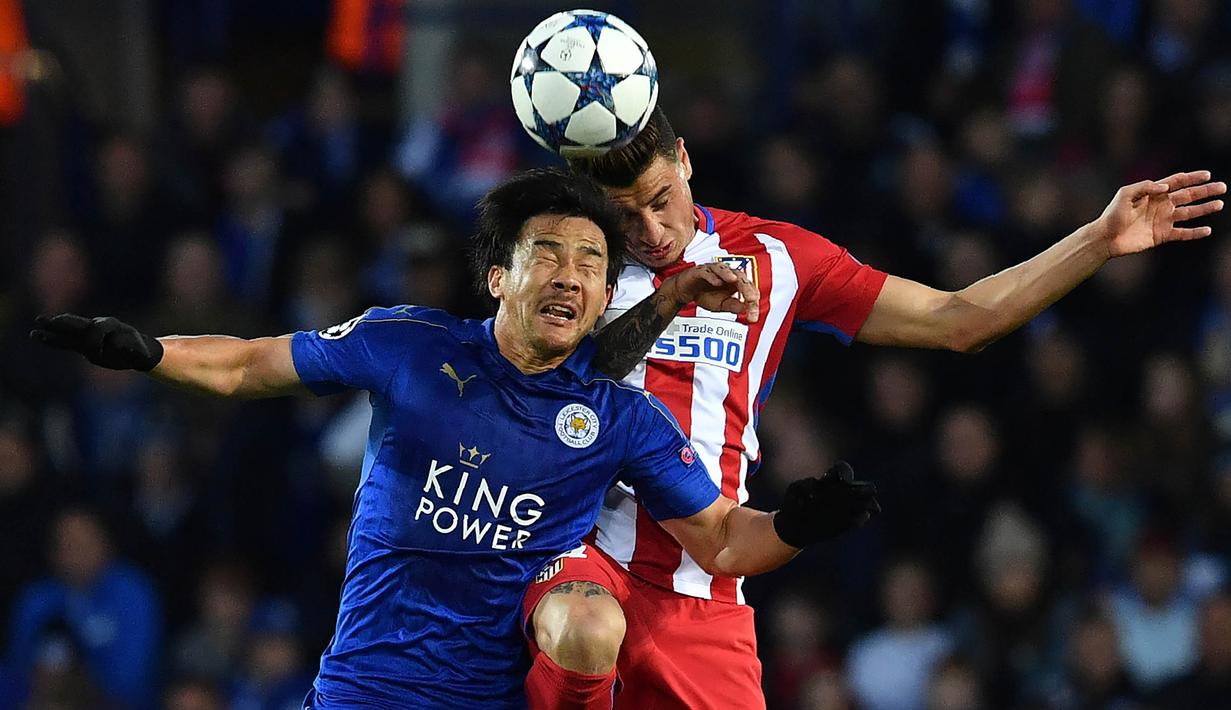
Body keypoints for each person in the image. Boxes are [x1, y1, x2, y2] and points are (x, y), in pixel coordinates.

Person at [30, 167, 880, 709]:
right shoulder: (408, 345)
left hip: (489, 701)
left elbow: (724, 540)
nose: (571, 278)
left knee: (588, 628)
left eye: (591, 264)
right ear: (498, 276)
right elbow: (250, 365)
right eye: (548, 256)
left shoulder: (619, 421)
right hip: (362, 692)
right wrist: (147, 352)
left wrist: (797, 523)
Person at [528, 106, 1225, 709]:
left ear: (684, 161)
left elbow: (960, 319)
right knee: (580, 631)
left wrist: (1097, 240)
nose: (651, 230)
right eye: (625, 215)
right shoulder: (578, 264)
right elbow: (557, 381)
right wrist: (670, 295)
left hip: (706, 583)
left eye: (661, 200)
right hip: (587, 557)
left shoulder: (778, 257)